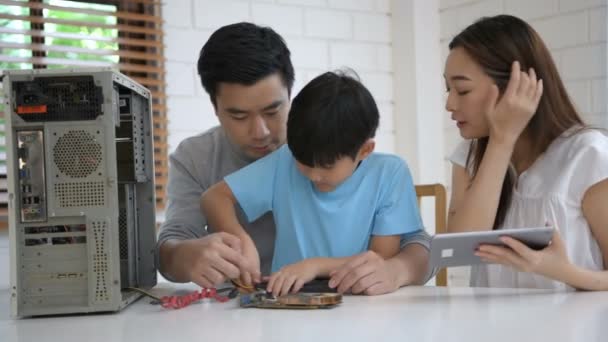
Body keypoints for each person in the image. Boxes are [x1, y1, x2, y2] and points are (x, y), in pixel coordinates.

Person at [156, 22, 432, 294]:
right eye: (239, 116)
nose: (260, 132)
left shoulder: (340, 151)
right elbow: (173, 243)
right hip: (258, 307)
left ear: (291, 94)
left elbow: (412, 248)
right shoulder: (200, 158)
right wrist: (193, 254)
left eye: (273, 110)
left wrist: (396, 270)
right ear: (215, 108)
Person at [201, 71, 426, 296]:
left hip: (358, 302)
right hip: (287, 302)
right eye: (303, 162)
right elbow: (214, 198)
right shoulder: (284, 161)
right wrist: (241, 240)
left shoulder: (389, 173)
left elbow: (380, 260)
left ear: (365, 150)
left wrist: (314, 266)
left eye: (326, 166)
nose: (313, 175)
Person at [444, 15, 608, 290]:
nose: (449, 103)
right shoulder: (468, 156)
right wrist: (501, 141)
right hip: (490, 329)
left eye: (462, 90)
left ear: (515, 87)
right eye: (448, 90)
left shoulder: (588, 154)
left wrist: (563, 271)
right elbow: (463, 244)